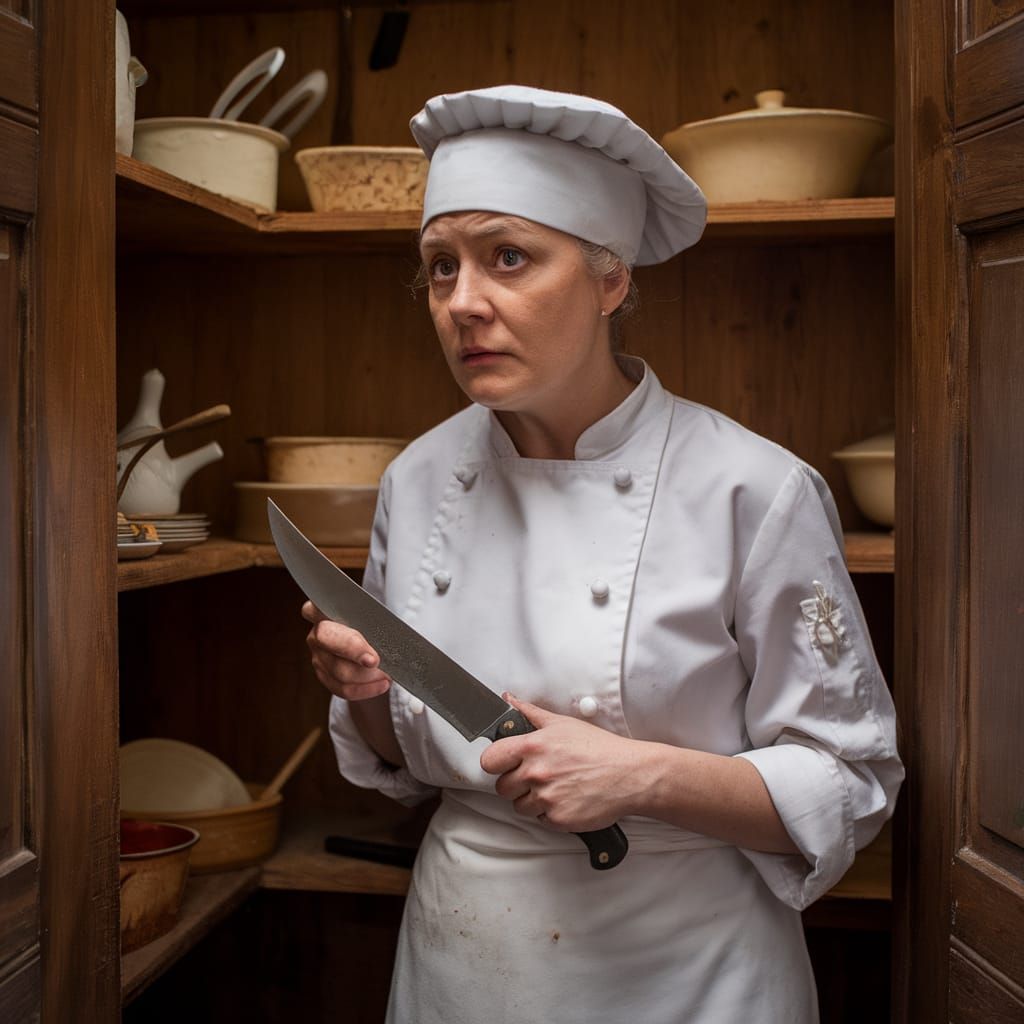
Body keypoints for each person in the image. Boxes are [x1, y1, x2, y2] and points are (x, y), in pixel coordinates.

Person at [302, 84, 903, 1023]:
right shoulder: (417, 480)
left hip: (689, 967)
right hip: (463, 954)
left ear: (610, 279)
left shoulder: (753, 488)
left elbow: (851, 780)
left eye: (508, 258)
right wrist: (370, 693)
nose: (464, 303)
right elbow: (402, 763)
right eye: (439, 267)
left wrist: (639, 774)